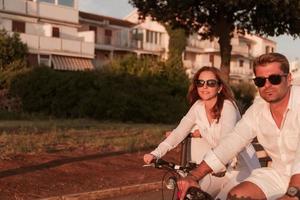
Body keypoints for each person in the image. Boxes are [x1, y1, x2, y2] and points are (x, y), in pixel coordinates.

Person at [177, 52, 300, 200]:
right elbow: (231, 142)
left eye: (274, 79)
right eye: (260, 81)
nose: (267, 86)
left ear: (289, 79)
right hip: (278, 174)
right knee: (236, 195)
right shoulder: (257, 110)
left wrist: (292, 194)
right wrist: (194, 176)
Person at [143, 66, 260, 198]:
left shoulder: (227, 106)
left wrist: (211, 164)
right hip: (216, 168)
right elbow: (178, 132)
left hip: (240, 168)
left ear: (220, 87)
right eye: (200, 83)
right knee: (192, 194)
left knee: (225, 197)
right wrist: (156, 153)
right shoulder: (198, 107)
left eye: (211, 83)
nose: (205, 87)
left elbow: (226, 142)